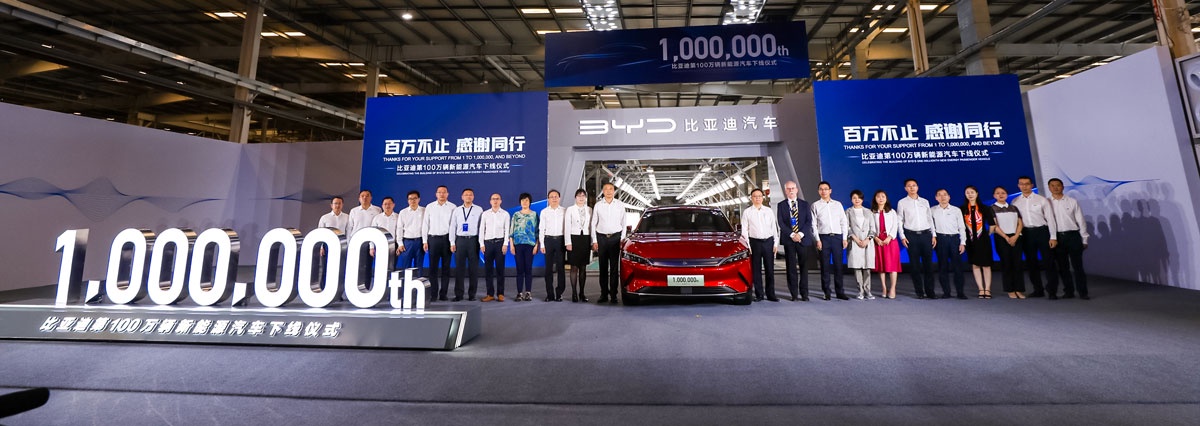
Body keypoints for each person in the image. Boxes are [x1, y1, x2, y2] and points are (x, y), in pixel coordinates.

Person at [1012, 176, 1059, 299]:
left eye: (1027, 184)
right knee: (1031, 263)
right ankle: (1038, 290)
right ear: (1018, 186)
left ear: (1031, 185)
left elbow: (1050, 219)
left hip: (1042, 231)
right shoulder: (1015, 202)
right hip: (1026, 233)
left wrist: (1053, 237)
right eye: (1021, 184)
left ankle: (1052, 291)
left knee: (1049, 262)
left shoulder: (1042, 200)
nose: (1024, 186)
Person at [1047, 178, 1090, 300]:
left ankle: (1083, 292)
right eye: (1052, 185)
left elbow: (1081, 220)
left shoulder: (1072, 201)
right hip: (1057, 237)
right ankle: (1069, 291)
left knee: (1078, 266)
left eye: (1058, 185)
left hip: (1073, 236)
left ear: (1062, 187)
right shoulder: (1046, 203)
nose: (1055, 188)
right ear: (1049, 188)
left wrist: (1084, 238)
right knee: (1063, 267)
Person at [898, 178, 936, 299]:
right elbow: (900, 220)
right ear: (905, 188)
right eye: (909, 186)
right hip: (911, 236)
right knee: (915, 266)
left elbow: (930, 219)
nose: (912, 188)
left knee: (928, 265)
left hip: (926, 235)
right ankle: (919, 292)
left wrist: (934, 234)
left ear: (917, 187)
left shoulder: (925, 201)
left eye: (914, 185)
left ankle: (930, 291)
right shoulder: (902, 202)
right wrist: (902, 236)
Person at [777, 180, 814, 301]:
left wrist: (800, 234)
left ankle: (804, 293)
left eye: (793, 188)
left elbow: (809, 221)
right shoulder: (781, 205)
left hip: (802, 239)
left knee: (804, 267)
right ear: (785, 191)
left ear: (796, 190)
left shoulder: (805, 204)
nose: (791, 190)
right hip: (789, 240)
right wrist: (793, 234)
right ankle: (794, 293)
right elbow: (781, 223)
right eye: (788, 189)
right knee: (791, 267)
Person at [811, 181, 849, 300]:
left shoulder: (837, 204)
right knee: (825, 266)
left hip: (837, 238)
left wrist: (844, 238)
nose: (824, 191)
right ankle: (826, 291)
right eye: (821, 189)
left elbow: (843, 222)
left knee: (838, 266)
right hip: (823, 238)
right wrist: (817, 240)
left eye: (826, 189)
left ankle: (840, 292)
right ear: (818, 191)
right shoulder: (815, 205)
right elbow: (813, 225)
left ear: (830, 191)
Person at [740, 189, 779, 302]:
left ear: (763, 198)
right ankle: (759, 294)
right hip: (754, 243)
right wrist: (748, 246)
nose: (757, 198)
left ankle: (771, 294)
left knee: (769, 269)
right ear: (751, 198)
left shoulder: (769, 211)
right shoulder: (747, 212)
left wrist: (775, 243)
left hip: (768, 242)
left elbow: (774, 228)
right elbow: (744, 230)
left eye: (759, 196)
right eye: (755, 196)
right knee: (756, 270)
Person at [591, 182, 626, 304]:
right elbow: (593, 223)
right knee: (603, 267)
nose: (609, 191)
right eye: (606, 189)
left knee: (614, 269)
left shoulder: (620, 205)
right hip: (601, 238)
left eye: (611, 189)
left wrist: (622, 239)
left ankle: (614, 295)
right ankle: (604, 294)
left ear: (614, 191)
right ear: (603, 191)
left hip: (616, 238)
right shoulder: (598, 205)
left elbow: (624, 223)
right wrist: (594, 240)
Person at [421, 185, 456, 302]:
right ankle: (433, 294)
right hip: (433, 240)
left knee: (446, 268)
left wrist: (452, 242)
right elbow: (425, 224)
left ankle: (443, 294)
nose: (442, 194)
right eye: (439, 192)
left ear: (447, 194)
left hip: (446, 240)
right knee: (433, 269)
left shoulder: (453, 207)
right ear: (436, 194)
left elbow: (453, 226)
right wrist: (425, 241)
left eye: (444, 192)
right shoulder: (430, 207)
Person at [932, 189, 968, 299]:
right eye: (939, 195)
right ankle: (946, 292)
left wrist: (963, 242)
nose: (942, 197)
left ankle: (960, 292)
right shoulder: (932, 210)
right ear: (936, 198)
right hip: (941, 239)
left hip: (954, 239)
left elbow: (961, 227)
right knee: (942, 267)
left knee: (958, 267)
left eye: (945, 195)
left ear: (949, 197)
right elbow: (931, 226)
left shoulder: (956, 210)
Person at [961, 186, 996, 299]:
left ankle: (987, 289)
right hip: (970, 241)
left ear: (977, 193)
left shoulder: (984, 208)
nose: (970, 194)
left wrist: (987, 234)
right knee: (975, 265)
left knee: (986, 265)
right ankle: (981, 289)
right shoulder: (962, 209)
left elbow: (992, 225)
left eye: (972, 192)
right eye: (967, 192)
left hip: (983, 239)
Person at [991, 186, 1026, 299]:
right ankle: (1010, 289)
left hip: (1016, 237)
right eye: (998, 193)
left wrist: (1015, 236)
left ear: (1007, 195)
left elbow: (1020, 223)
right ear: (994, 195)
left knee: (1017, 264)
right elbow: (995, 226)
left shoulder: (1014, 207)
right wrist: (1006, 237)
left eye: (1003, 193)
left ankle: (1019, 289)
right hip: (1002, 238)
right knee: (1006, 264)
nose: (1001, 195)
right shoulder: (992, 208)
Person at [449, 188, 482, 301]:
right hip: (460, 241)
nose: (468, 196)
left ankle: (472, 294)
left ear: (473, 197)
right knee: (459, 268)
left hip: (473, 240)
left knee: (473, 269)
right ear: (462, 197)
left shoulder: (479, 209)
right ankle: (459, 294)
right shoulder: (457, 210)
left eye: (470, 195)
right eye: (466, 195)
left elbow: (481, 227)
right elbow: (452, 226)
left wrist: (481, 242)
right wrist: (452, 242)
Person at [347, 190, 382, 289]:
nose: (365, 198)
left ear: (371, 198)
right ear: (359, 198)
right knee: (356, 266)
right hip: (357, 242)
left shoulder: (377, 210)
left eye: (367, 196)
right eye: (362, 196)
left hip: (371, 242)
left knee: (368, 266)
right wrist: (349, 243)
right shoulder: (354, 211)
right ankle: (354, 288)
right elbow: (349, 228)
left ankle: (366, 287)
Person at [845, 190, 876, 300]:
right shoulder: (848, 211)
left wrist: (868, 239)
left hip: (867, 242)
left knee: (867, 267)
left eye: (859, 198)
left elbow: (873, 228)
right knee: (857, 267)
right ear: (851, 199)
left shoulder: (868, 212)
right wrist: (856, 239)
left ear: (862, 199)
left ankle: (868, 291)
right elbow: (847, 227)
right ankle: (860, 291)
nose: (857, 200)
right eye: (854, 198)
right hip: (855, 242)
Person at [478, 193, 510, 302]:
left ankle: (500, 293)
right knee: (488, 270)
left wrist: (505, 244)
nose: (495, 201)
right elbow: (482, 229)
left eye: (497, 199)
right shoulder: (485, 214)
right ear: (490, 201)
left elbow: (507, 230)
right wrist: (481, 244)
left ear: (500, 201)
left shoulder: (505, 214)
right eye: (493, 199)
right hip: (488, 244)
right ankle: (490, 294)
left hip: (500, 243)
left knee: (500, 270)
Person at [871, 190, 902, 299]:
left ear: (886, 198)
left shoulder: (892, 212)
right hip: (878, 241)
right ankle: (884, 287)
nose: (881, 198)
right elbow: (870, 227)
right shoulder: (872, 212)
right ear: (875, 199)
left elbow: (895, 226)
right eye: (878, 196)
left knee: (892, 265)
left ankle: (893, 288)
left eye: (883, 196)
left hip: (890, 241)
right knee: (881, 266)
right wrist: (876, 238)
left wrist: (889, 237)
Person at [540, 190, 568, 302]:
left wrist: (567, 242)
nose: (554, 198)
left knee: (561, 268)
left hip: (561, 240)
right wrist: (542, 244)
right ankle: (550, 294)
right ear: (548, 199)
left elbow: (567, 228)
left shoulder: (565, 211)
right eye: (551, 197)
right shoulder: (544, 212)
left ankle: (559, 293)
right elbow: (541, 228)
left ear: (559, 198)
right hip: (548, 240)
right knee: (548, 269)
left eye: (556, 196)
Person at [565, 189, 592, 302]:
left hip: (585, 239)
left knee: (583, 268)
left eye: (583, 196)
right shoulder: (570, 209)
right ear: (575, 197)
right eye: (579, 196)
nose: (581, 198)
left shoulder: (589, 209)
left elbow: (591, 226)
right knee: (574, 267)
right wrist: (568, 242)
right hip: (573, 239)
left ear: (585, 198)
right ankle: (574, 293)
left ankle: (582, 293)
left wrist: (592, 241)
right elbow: (567, 226)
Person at [511, 193, 539, 302]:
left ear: (530, 202)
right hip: (518, 244)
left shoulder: (534, 215)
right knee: (519, 269)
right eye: (523, 200)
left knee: (528, 269)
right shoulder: (516, 215)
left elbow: (537, 231)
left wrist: (536, 245)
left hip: (530, 245)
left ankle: (528, 292)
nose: (524, 202)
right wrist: (511, 245)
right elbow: (511, 231)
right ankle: (519, 293)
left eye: (526, 200)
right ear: (520, 202)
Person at [316, 196, 349, 287]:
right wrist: (321, 247)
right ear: (331, 205)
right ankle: (323, 288)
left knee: (339, 268)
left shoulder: (347, 217)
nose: (337, 205)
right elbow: (320, 233)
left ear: (342, 205)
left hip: (341, 245)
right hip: (327, 245)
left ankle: (337, 290)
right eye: (335, 203)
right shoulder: (325, 217)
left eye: (339, 203)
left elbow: (348, 232)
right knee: (326, 267)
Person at [396, 190, 425, 276]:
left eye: (415, 198)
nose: (413, 201)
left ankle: (418, 283)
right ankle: (406, 283)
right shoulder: (403, 212)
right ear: (408, 200)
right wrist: (400, 243)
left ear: (419, 199)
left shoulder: (424, 211)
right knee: (406, 265)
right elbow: (399, 228)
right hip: (407, 242)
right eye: (410, 199)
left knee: (419, 265)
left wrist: (425, 242)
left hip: (420, 241)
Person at [369, 196, 400, 272]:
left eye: (389, 204)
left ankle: (390, 280)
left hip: (393, 245)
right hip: (380, 244)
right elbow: (372, 233)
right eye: (385, 204)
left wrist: (399, 246)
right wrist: (371, 247)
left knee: (392, 267)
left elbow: (399, 232)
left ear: (393, 205)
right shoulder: (377, 218)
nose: (387, 206)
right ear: (382, 206)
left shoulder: (398, 217)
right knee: (380, 267)